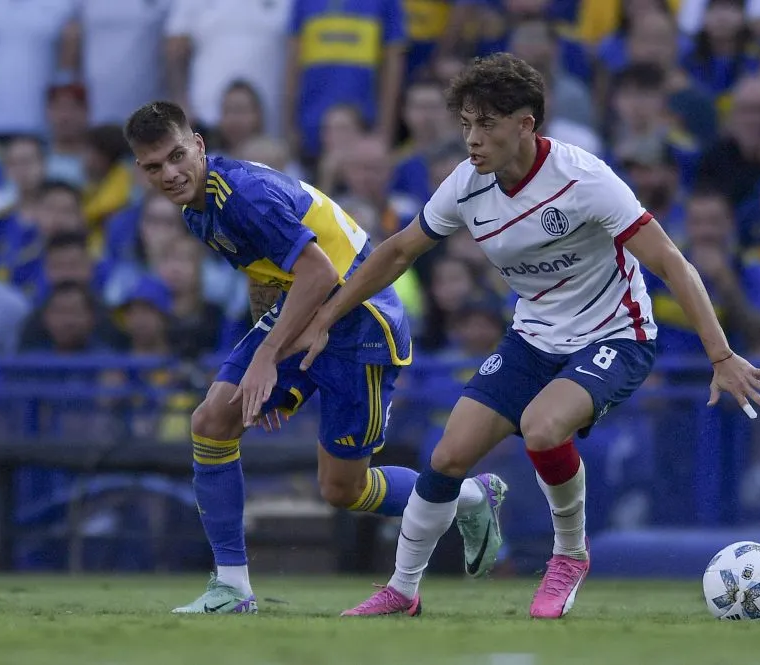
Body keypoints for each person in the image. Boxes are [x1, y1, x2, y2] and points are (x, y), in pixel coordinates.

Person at [291, 53, 760, 619]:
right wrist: (326, 315)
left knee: (542, 428)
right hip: (533, 338)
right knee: (446, 456)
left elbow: (671, 262)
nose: (472, 138)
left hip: (615, 335)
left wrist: (720, 353)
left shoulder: (584, 179)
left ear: (526, 124)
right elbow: (397, 251)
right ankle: (402, 590)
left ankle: (569, 556)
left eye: (487, 124)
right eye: (466, 123)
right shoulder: (466, 186)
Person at [121, 101, 505, 615]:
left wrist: (267, 358)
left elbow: (319, 272)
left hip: (362, 321)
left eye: (176, 156)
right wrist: (277, 374)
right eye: (153, 167)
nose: (169, 173)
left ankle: (472, 497)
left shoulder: (243, 196)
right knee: (213, 421)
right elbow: (267, 275)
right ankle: (233, 587)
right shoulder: (198, 209)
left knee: (343, 488)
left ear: (198, 145)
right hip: (306, 311)